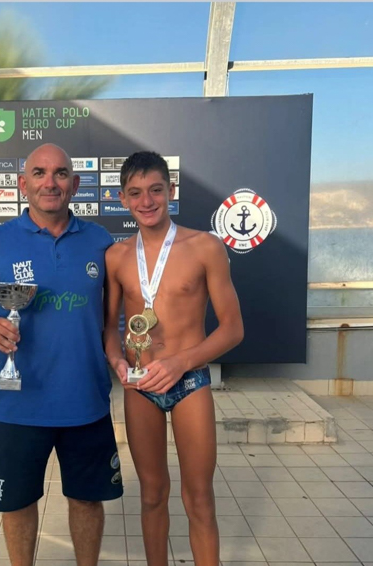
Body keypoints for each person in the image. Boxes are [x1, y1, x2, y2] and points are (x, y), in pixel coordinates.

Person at [0, 143, 123, 566]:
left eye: (61, 173)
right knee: (17, 503)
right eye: (40, 173)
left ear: (75, 184)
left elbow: (117, 315)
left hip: (86, 402)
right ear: (22, 184)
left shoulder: (100, 241)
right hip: (20, 403)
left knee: (87, 501)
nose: (51, 182)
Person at [103, 151, 244, 566]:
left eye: (155, 190)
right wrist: (117, 361)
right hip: (140, 385)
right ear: (122, 198)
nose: (146, 201)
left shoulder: (205, 247)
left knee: (199, 497)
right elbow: (108, 329)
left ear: (171, 191)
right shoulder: (116, 257)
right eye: (135, 193)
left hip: (189, 383)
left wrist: (181, 362)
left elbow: (233, 329)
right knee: (152, 495)